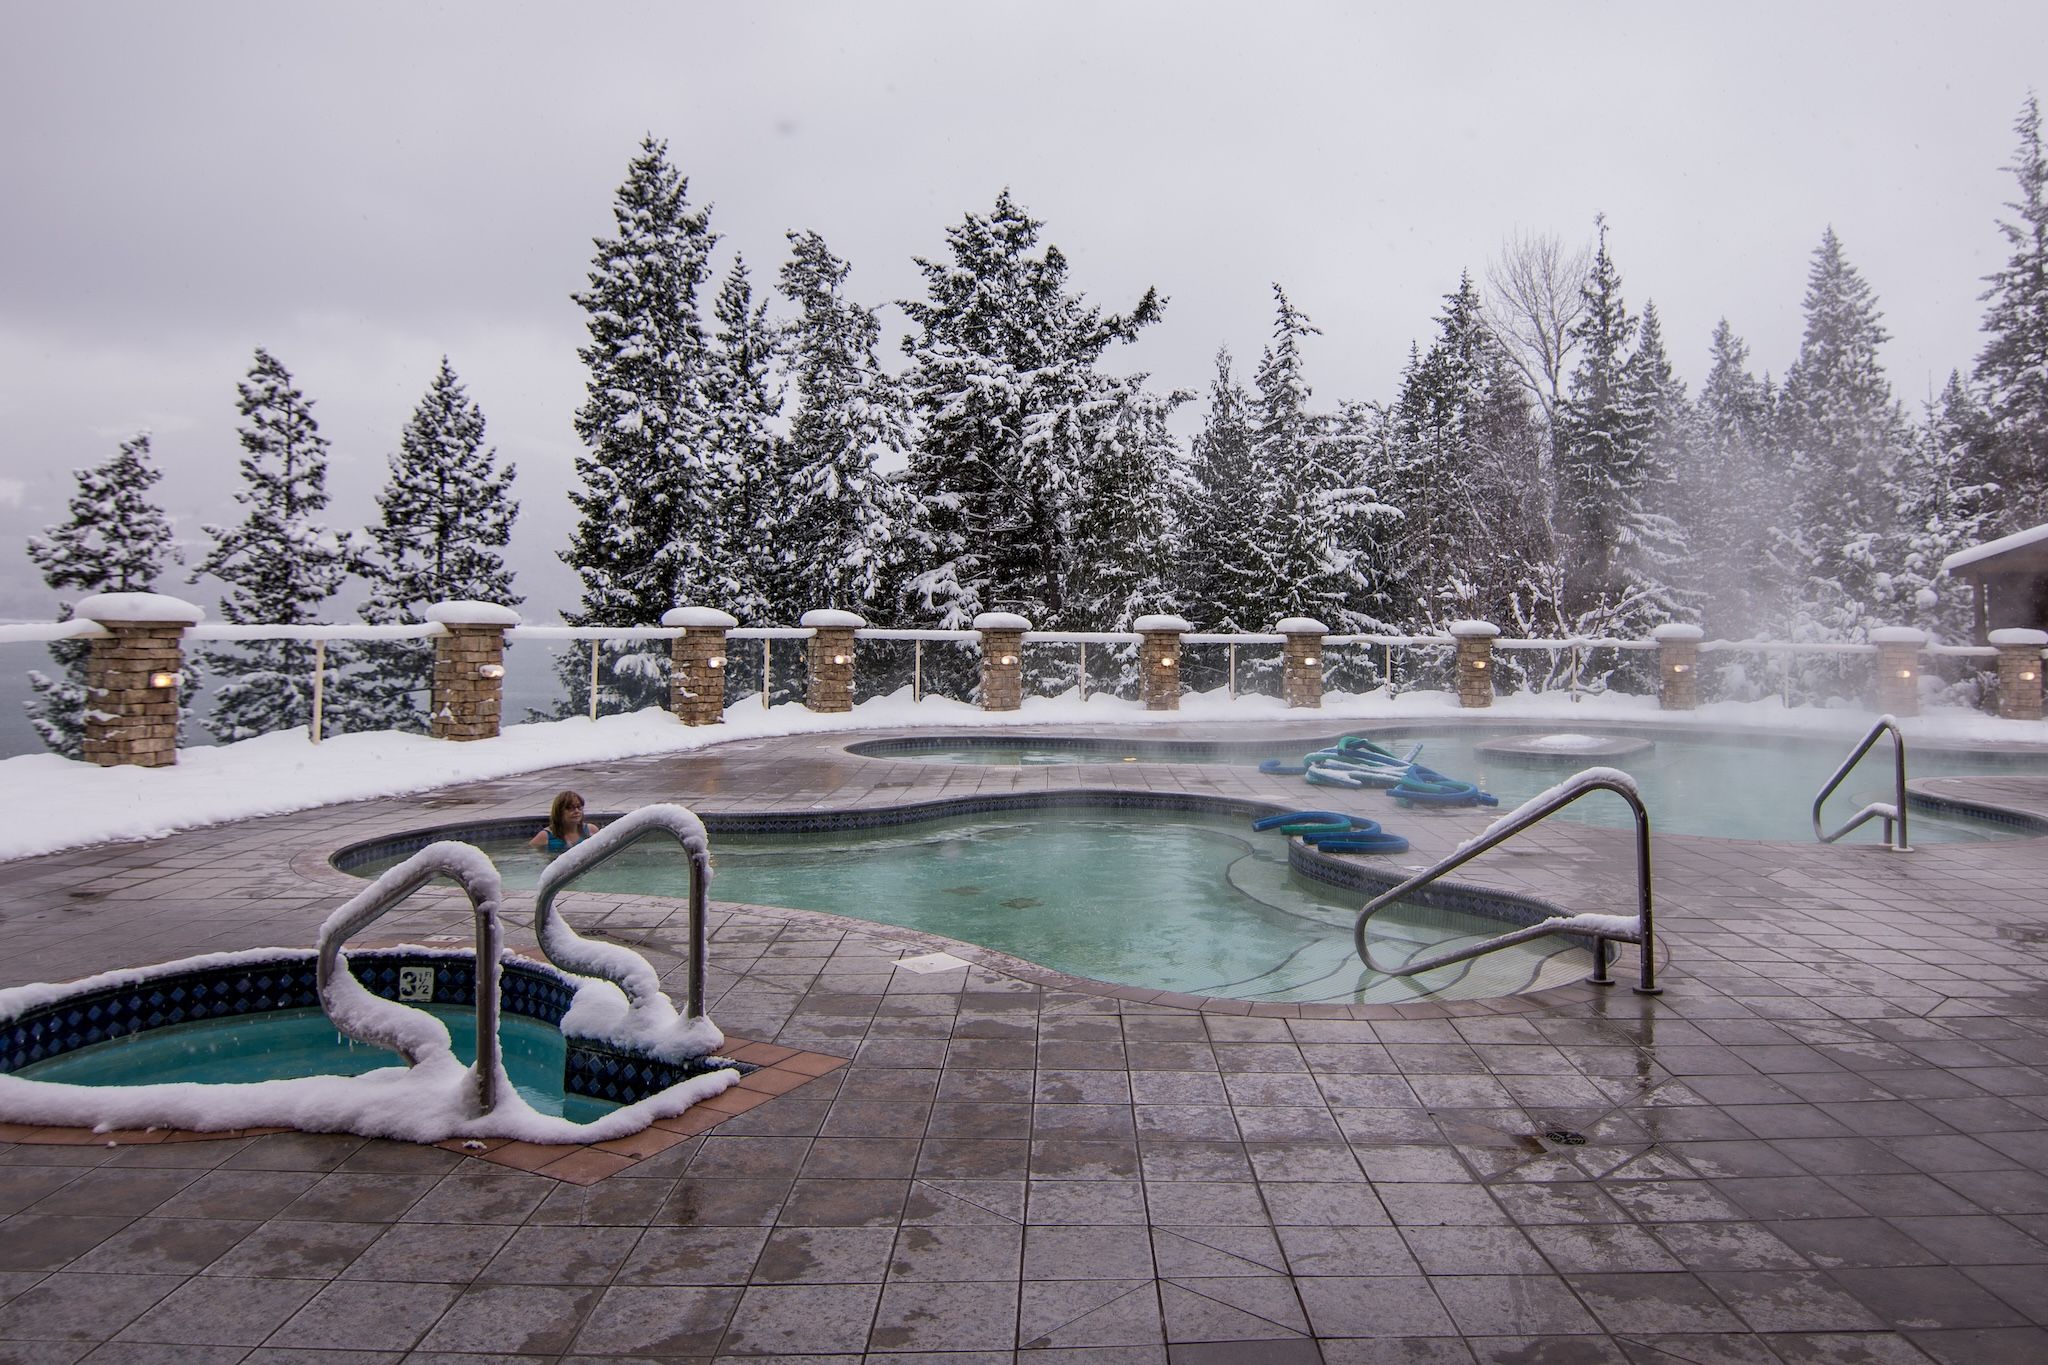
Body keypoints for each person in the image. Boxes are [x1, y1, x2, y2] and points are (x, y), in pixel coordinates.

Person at [530, 790, 599, 851]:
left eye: (579, 807)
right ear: (559, 812)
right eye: (570, 808)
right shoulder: (546, 836)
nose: (576, 811)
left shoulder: (591, 831)